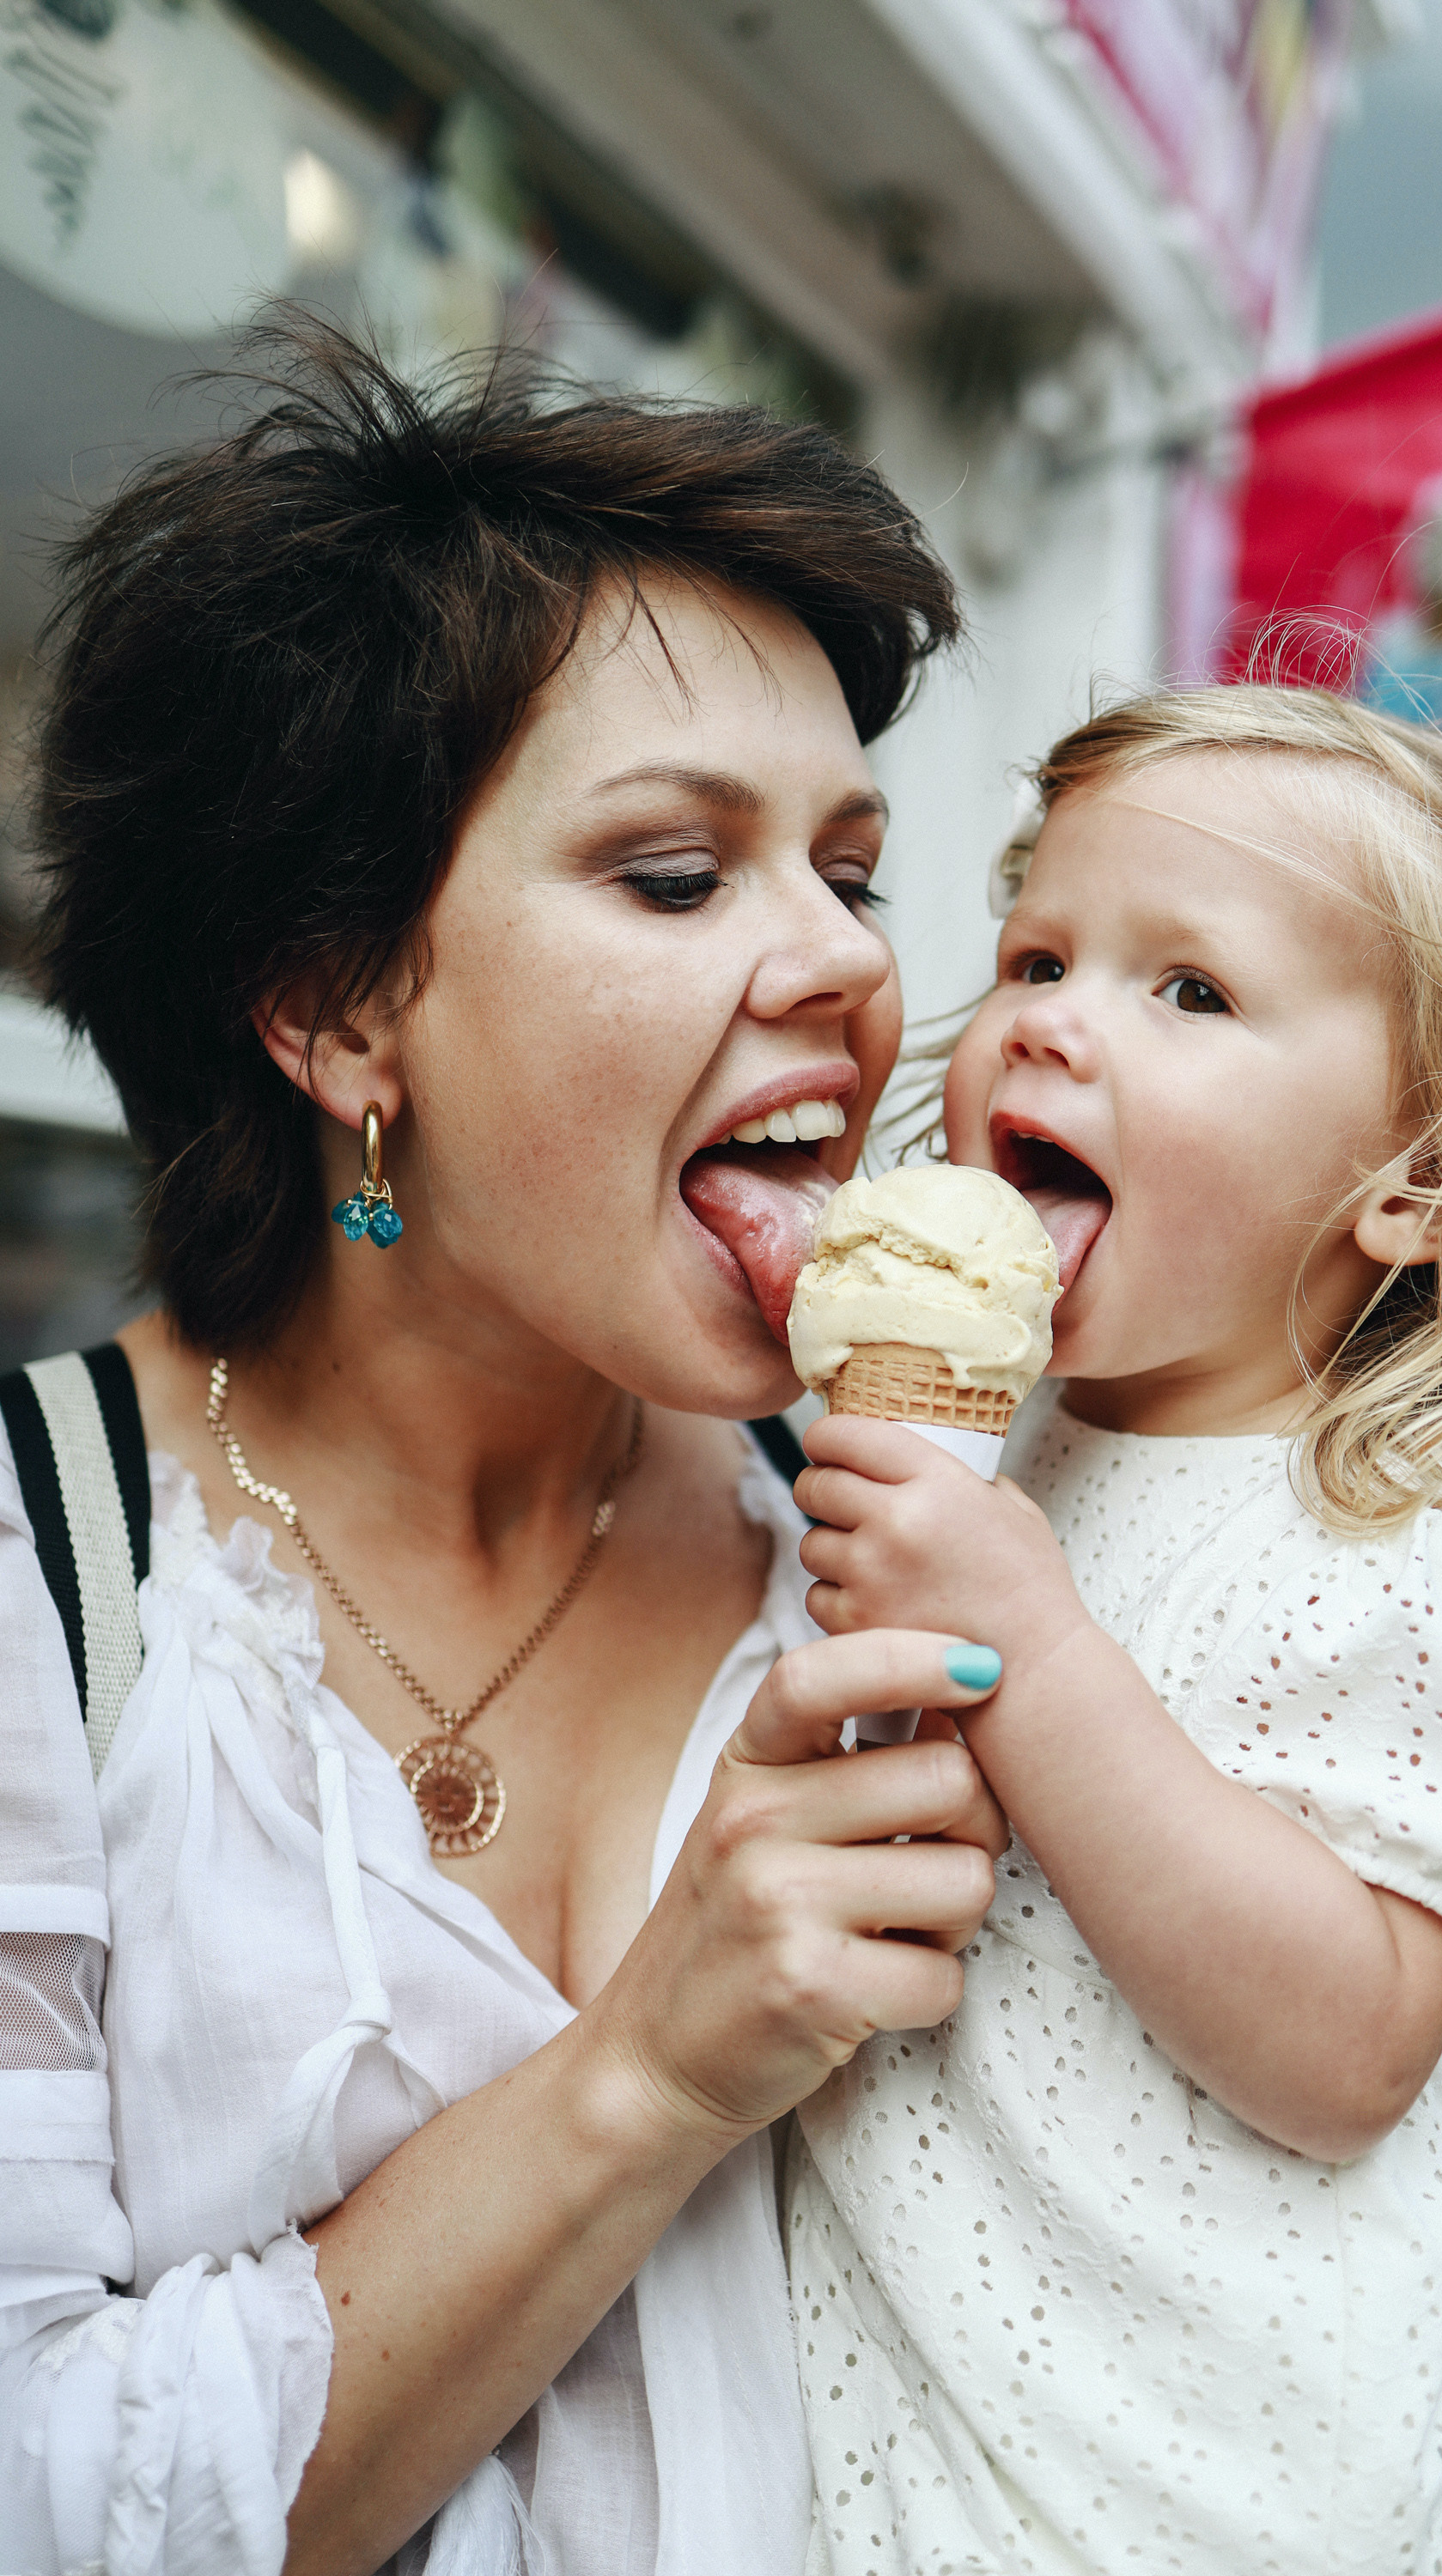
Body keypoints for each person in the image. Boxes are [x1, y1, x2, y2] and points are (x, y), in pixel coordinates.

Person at [0, 318, 1015, 2576]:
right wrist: (649, 2067)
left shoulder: (899, 1546)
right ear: (335, 1006)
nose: (845, 969)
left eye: (850, 873)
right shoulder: (46, 1591)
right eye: (675, 876)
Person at [783, 683, 1442, 2574]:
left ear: (1417, 1186)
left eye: (1189, 991)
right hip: (947, 2442)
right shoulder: (997, 1447)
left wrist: (1037, 1657)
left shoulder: (1400, 1558)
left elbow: (1349, 2052)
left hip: (1233, 2492)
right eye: (1040, 954)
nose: (1049, 1018)